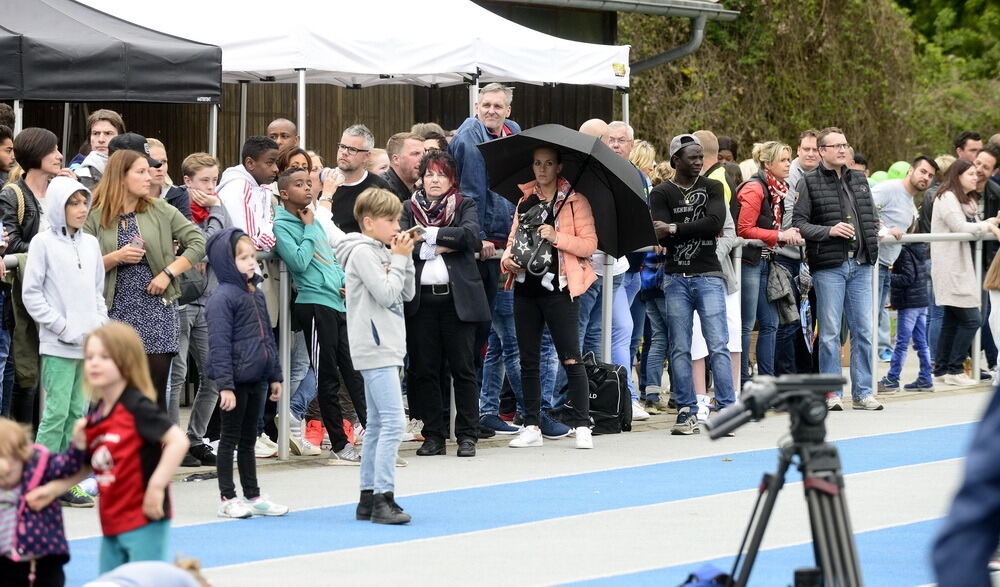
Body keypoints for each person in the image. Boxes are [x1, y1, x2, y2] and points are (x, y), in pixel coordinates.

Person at [33, 322, 187, 573]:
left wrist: (156, 487)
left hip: (144, 520)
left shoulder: (137, 407)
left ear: (126, 363)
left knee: (142, 578)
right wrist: (51, 489)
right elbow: (84, 465)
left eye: (104, 357)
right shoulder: (96, 418)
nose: (93, 363)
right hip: (112, 521)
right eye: (90, 356)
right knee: (111, 578)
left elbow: (177, 441)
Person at [84, 149, 207, 412]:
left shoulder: (160, 208)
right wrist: (115, 257)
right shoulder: (94, 213)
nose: (149, 178)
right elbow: (80, 263)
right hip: (112, 308)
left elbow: (199, 242)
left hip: (156, 308)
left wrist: (168, 272)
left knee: (153, 395)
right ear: (120, 176)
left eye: (149, 171)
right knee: (114, 394)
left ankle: (153, 453)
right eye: (140, 172)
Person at [502, 146, 599, 450]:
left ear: (559, 167)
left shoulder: (574, 201)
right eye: (537, 163)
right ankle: (532, 424)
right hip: (525, 287)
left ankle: (582, 424)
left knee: (570, 356)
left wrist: (558, 237)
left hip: (560, 288)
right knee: (527, 359)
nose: (541, 169)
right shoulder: (524, 201)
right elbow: (511, 242)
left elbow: (589, 245)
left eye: (548, 164)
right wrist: (508, 260)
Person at [22, 176, 107, 507]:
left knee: (76, 414)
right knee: (56, 413)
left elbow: (98, 292)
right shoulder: (42, 243)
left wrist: (98, 325)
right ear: (59, 206)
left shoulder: (91, 244)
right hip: (58, 345)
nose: (81, 209)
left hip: (86, 346)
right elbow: (32, 294)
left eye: (84, 202)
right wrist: (61, 327)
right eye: (74, 203)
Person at [399, 151, 490, 458]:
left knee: (463, 368)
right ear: (421, 179)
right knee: (425, 369)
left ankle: (467, 434)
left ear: (451, 179)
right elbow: (400, 241)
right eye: (429, 175)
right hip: (421, 302)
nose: (434, 180)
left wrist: (431, 235)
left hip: (457, 300)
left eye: (441, 175)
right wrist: (432, 249)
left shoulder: (466, 204)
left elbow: (470, 237)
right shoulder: (406, 208)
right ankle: (433, 434)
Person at [273, 169, 367, 465]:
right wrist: (311, 227)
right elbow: (299, 262)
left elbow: (331, 259)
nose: (307, 189)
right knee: (326, 376)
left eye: (309, 184)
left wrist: (343, 281)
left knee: (352, 372)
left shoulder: (312, 219)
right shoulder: (283, 224)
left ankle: (375, 438)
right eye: (299, 185)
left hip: (335, 302)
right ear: (284, 194)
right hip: (313, 305)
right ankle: (340, 445)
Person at [335, 188, 416, 524]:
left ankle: (368, 498)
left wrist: (405, 258)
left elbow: (406, 293)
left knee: (380, 424)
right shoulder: (362, 253)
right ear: (368, 222)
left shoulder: (381, 251)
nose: (396, 225)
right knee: (394, 423)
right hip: (376, 346)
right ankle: (383, 496)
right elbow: (385, 294)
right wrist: (397, 260)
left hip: (387, 345)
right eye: (390, 219)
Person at [792, 127, 883, 411]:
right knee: (830, 332)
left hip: (861, 262)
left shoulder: (859, 179)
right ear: (822, 151)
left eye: (845, 145)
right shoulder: (808, 182)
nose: (843, 150)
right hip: (829, 265)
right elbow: (800, 223)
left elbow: (870, 215)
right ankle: (831, 393)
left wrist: (874, 234)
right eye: (836, 146)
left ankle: (864, 392)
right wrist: (829, 230)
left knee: (864, 331)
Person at [650, 134, 736, 435]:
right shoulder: (661, 192)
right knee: (679, 347)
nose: (699, 162)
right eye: (693, 157)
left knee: (718, 345)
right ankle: (686, 410)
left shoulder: (712, 187)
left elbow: (714, 223)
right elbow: (657, 231)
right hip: (675, 278)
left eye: (701, 156)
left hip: (709, 275)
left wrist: (675, 227)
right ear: (676, 161)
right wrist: (673, 230)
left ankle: (726, 408)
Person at [204, 229, 288, 519]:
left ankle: (252, 494)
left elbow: (267, 338)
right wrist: (225, 386)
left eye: (253, 256)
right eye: (243, 257)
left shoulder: (257, 293)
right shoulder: (222, 299)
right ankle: (228, 497)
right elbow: (219, 344)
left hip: (257, 378)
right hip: (236, 382)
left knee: (249, 439)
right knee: (229, 440)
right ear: (226, 260)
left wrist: (275, 375)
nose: (251, 262)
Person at [449, 83, 522, 359]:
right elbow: (471, 192)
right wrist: (478, 236)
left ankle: (487, 400)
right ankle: (471, 393)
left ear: (508, 110)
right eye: (486, 105)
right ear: (476, 107)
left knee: (500, 331)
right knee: (480, 323)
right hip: (484, 241)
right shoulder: (470, 138)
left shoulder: (512, 132)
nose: (491, 111)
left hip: (507, 238)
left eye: (498, 106)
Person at [734, 141, 803, 385]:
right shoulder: (755, 188)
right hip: (749, 263)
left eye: (788, 159)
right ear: (767, 163)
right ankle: (741, 381)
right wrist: (779, 236)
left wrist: (783, 236)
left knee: (771, 324)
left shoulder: (778, 189)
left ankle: (766, 382)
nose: (788, 164)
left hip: (767, 262)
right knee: (745, 324)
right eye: (783, 160)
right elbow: (744, 229)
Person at [169, 153, 222, 467]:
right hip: (182, 300)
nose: (211, 186)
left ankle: (195, 438)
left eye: (214, 180)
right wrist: (213, 217)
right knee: (176, 375)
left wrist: (216, 209)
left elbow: (225, 243)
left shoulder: (217, 206)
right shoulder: (177, 205)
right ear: (187, 181)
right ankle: (173, 441)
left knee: (213, 374)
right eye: (204, 180)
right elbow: (203, 244)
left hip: (210, 299)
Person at [931, 159, 1000, 386]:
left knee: (952, 319)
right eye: (970, 173)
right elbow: (960, 227)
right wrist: (987, 227)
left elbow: (971, 223)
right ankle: (954, 368)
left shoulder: (963, 200)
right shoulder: (947, 197)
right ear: (958, 175)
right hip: (951, 267)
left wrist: (990, 222)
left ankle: (942, 369)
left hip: (960, 267)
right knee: (972, 320)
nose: (975, 177)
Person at [0, 417, 87, 585]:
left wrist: (79, 445)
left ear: (23, 456)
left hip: (41, 561)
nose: (4, 477)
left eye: (9, 472)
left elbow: (68, 465)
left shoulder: (38, 471)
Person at [872, 156, 938, 361]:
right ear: (911, 170)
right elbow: (862, 207)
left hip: (887, 266)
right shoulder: (889, 188)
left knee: (874, 316)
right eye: (923, 172)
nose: (926, 178)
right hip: (871, 263)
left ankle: (869, 375)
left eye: (930, 176)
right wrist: (883, 229)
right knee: (867, 318)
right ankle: (865, 380)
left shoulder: (910, 201)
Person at [878, 224, 934, 393]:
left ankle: (892, 378)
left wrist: (887, 276)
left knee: (901, 343)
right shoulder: (919, 248)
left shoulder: (902, 251)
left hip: (909, 303)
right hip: (921, 302)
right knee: (921, 343)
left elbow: (907, 278)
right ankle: (926, 377)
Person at [320, 124, 391, 234]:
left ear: (367, 156)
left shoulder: (379, 187)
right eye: (342, 146)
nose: (344, 152)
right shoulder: (323, 181)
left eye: (352, 149)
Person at [217, 136, 279, 252]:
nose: (276, 169)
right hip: (236, 266)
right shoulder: (238, 189)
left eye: (276, 163)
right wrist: (272, 241)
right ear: (250, 163)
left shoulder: (261, 188)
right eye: (270, 163)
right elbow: (248, 243)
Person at [75, 109, 126, 189]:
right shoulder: (81, 176)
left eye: (108, 133)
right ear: (89, 139)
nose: (101, 139)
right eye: (96, 133)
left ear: (121, 137)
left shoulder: (134, 170)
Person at [380, 132, 424, 203]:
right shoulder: (380, 190)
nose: (423, 159)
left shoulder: (419, 192)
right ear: (396, 159)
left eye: (424, 154)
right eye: (415, 154)